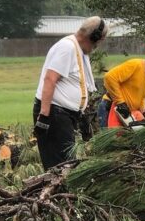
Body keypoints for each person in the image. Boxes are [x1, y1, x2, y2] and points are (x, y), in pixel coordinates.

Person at [33, 16, 108, 170]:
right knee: (61, 166)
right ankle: (54, 194)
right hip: (54, 114)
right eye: (99, 41)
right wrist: (44, 116)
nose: (97, 46)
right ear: (94, 37)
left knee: (66, 163)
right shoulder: (67, 48)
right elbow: (50, 79)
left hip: (63, 115)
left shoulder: (76, 49)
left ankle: (59, 193)